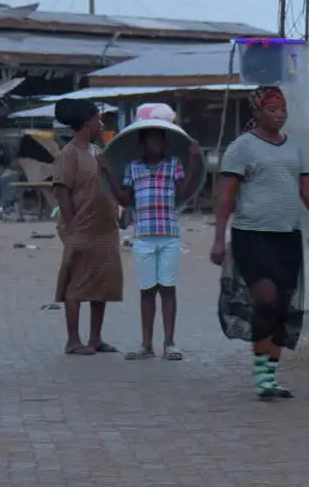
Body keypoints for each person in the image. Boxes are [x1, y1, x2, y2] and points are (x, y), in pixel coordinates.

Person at [210, 85, 309, 398]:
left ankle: (270, 377)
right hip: (251, 236)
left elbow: (307, 190)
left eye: (283, 109)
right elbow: (227, 196)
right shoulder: (242, 148)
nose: (279, 115)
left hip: (287, 237)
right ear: (257, 112)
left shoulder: (294, 148)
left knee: (282, 306)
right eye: (272, 109)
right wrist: (218, 238)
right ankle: (260, 375)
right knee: (266, 300)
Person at [100, 123, 200, 361]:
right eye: (152, 139)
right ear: (142, 144)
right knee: (147, 290)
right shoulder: (132, 168)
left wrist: (194, 161)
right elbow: (125, 197)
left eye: (160, 139)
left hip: (169, 236)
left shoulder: (173, 164)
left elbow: (184, 192)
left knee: (167, 288)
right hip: (143, 237)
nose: (157, 143)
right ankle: (146, 344)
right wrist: (108, 173)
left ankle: (169, 343)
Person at [52, 99, 123, 355]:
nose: (101, 123)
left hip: (105, 228)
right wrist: (73, 227)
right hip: (82, 229)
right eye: (97, 119)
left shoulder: (97, 152)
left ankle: (95, 338)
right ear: (86, 123)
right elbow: (62, 192)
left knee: (101, 283)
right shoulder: (68, 154)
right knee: (77, 285)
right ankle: (73, 340)